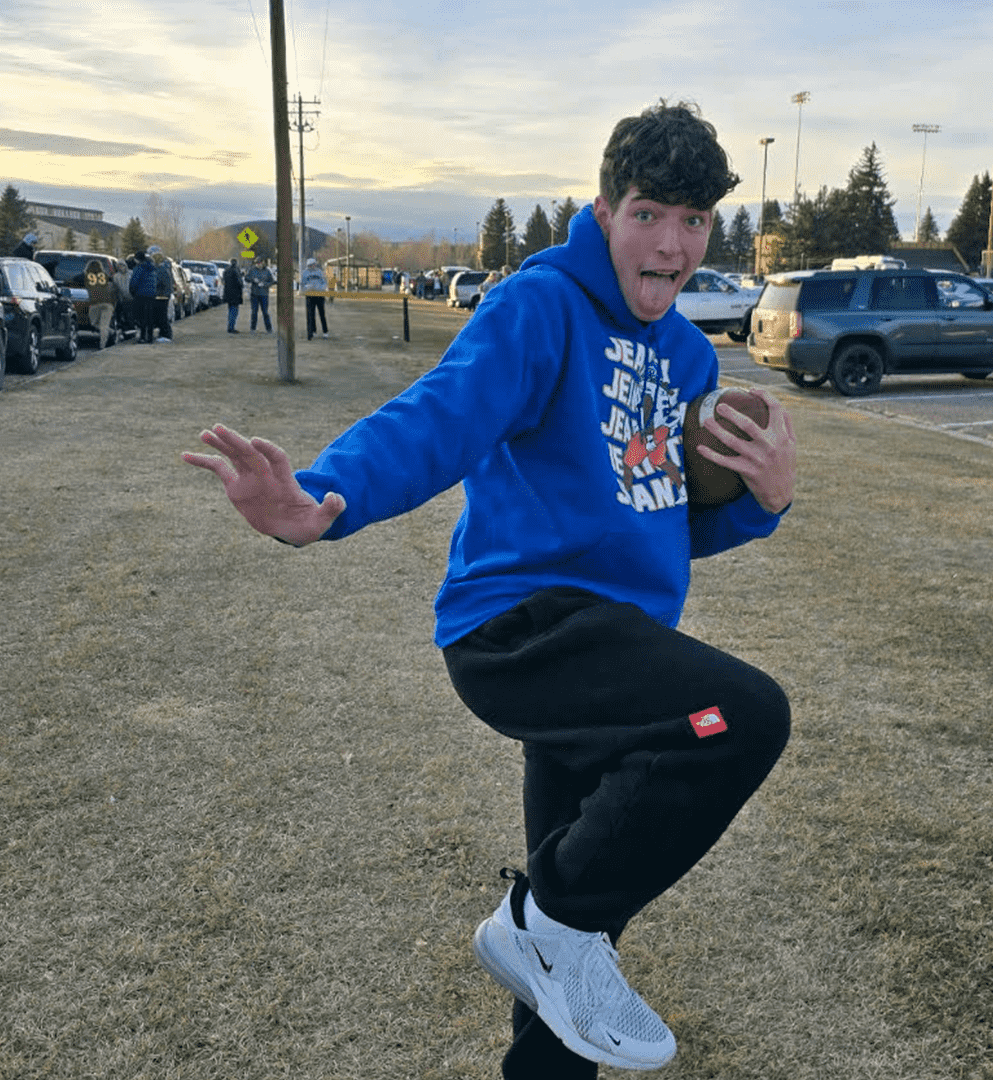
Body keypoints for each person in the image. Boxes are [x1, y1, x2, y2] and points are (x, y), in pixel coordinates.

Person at [183, 101, 796, 1078]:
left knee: (573, 952)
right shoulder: (538, 305)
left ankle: (548, 942)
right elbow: (440, 415)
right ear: (604, 210)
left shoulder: (687, 359)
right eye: (649, 214)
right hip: (523, 632)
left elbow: (665, 521)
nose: (672, 245)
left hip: (614, 659)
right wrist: (324, 496)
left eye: (693, 221)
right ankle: (538, 917)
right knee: (745, 715)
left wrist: (763, 500)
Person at [128, 250, 157, 344]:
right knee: (150, 317)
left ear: (137, 259)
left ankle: (142, 337)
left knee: (141, 317)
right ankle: (150, 337)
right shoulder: (152, 268)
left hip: (140, 295)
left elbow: (134, 282)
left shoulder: (139, 268)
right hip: (151, 295)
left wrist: (132, 292)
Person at [301, 258, 329, 340]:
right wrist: (306, 287)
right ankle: (312, 331)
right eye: (310, 265)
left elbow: (324, 282)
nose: (312, 266)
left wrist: (321, 288)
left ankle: (325, 331)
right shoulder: (305, 273)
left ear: (315, 264)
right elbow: (302, 284)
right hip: (309, 296)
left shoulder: (320, 272)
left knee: (322, 314)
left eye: (313, 264)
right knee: (310, 315)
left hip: (320, 295)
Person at [149, 246, 173, 343]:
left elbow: (158, 282)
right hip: (163, 295)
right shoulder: (164, 267)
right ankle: (164, 334)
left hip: (161, 295)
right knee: (161, 316)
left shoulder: (161, 269)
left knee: (162, 316)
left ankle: (166, 335)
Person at [246, 257, 275, 332]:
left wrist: (265, 284)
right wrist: (253, 279)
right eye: (256, 263)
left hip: (264, 294)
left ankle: (269, 328)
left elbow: (271, 281)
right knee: (254, 312)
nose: (257, 264)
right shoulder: (252, 270)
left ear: (262, 262)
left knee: (265, 312)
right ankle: (253, 328)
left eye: (259, 263)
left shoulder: (267, 271)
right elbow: (246, 278)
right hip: (254, 294)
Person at [222, 259, 243, 333]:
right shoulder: (236, 270)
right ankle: (231, 328)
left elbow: (224, 280)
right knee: (234, 311)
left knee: (230, 310)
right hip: (235, 294)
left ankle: (230, 326)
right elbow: (240, 283)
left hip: (228, 294)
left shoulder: (226, 270)